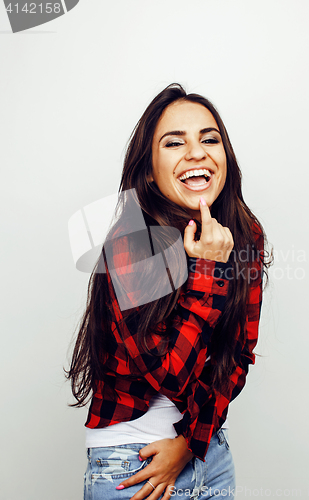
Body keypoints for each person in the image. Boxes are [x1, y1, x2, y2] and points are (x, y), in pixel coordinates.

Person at [66, 83, 272, 500]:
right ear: (149, 170)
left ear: (224, 158)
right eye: (174, 143)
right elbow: (168, 371)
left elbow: (238, 356)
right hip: (132, 463)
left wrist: (191, 444)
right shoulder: (131, 242)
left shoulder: (244, 234)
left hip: (209, 458)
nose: (196, 152)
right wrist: (208, 267)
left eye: (209, 139)